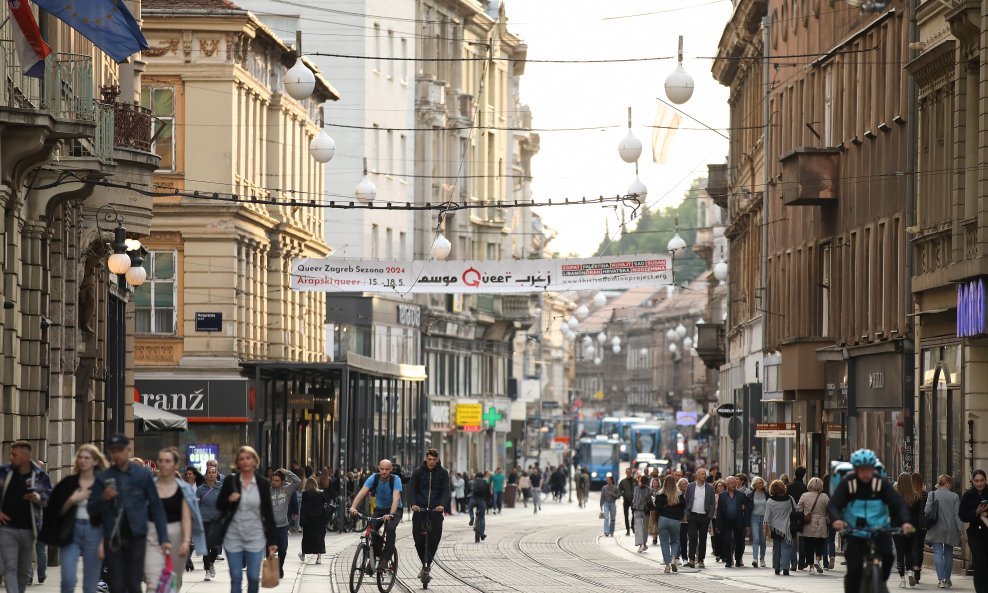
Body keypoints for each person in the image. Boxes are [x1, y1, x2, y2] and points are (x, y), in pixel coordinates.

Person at [88, 435, 169, 593]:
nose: (117, 455)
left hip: (136, 536)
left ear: (128, 450)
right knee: (116, 586)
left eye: (120, 450)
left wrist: (163, 538)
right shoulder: (103, 477)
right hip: (113, 538)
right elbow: (91, 509)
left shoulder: (142, 475)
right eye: (113, 451)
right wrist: (104, 498)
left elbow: (156, 507)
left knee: (134, 584)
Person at [829, 449, 913, 593]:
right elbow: (834, 505)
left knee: (888, 555)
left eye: (869, 469)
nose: (866, 474)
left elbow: (898, 503)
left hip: (879, 527)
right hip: (855, 530)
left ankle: (880, 582)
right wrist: (837, 519)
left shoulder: (881, 483)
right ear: (855, 470)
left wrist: (905, 521)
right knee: (854, 568)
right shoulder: (847, 483)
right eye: (862, 470)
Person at [40, 445, 105, 593]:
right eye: (80, 457)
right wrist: (73, 500)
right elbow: (55, 510)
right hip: (71, 531)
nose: (83, 461)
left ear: (95, 461)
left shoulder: (102, 484)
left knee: (90, 583)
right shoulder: (68, 483)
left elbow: (110, 513)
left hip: (94, 532)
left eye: (87, 458)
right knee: (68, 580)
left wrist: (104, 541)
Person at [217, 446, 279, 593]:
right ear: (238, 462)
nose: (245, 461)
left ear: (254, 461)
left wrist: (272, 541)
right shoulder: (230, 481)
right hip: (233, 536)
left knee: (252, 577)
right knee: (236, 577)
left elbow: (268, 513)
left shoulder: (262, 483)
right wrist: (229, 499)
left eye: (248, 458)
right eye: (242, 459)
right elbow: (219, 504)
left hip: (255, 536)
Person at [144, 447, 206, 593]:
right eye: (161, 461)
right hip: (152, 535)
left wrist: (185, 541)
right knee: (153, 583)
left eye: (168, 461)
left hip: (176, 534)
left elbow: (186, 517)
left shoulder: (184, 489)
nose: (164, 464)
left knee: (173, 583)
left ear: (175, 465)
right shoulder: (149, 486)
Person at [0, 442, 51, 593]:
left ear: (25, 456)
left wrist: (37, 497)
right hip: (7, 528)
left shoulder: (40, 475)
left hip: (29, 529)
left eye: (14, 455)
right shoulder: (4, 472)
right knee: (11, 566)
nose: (11, 458)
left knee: (22, 571)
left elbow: (48, 498)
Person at [350, 460, 403, 570]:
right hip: (379, 509)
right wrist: (353, 507)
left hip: (395, 509)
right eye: (382, 469)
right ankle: (373, 559)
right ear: (379, 468)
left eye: (387, 469)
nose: (384, 472)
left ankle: (385, 559)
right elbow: (361, 493)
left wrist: (391, 514)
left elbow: (396, 498)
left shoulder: (396, 480)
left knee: (390, 528)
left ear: (391, 470)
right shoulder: (373, 478)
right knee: (371, 530)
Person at [408, 449, 450, 577]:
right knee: (418, 539)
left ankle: (427, 565)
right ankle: (424, 561)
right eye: (430, 459)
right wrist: (413, 504)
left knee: (434, 539)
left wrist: (442, 505)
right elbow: (411, 490)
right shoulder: (417, 472)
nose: (431, 462)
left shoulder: (443, 473)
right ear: (426, 458)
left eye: (434, 460)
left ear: (437, 460)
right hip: (420, 510)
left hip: (435, 511)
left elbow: (445, 491)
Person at [925, 474, 963, 589]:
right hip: (950, 529)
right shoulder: (955, 497)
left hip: (936, 528)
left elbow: (927, 510)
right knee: (948, 554)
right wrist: (961, 530)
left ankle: (940, 580)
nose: (951, 486)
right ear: (947, 483)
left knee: (937, 553)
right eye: (950, 483)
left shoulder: (932, 494)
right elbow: (957, 516)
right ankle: (947, 580)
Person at [959, 468, 988, 593]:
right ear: (972, 481)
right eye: (977, 481)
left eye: (982, 480)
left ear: (986, 480)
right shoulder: (968, 495)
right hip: (975, 533)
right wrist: (976, 512)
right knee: (979, 561)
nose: (979, 483)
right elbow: (962, 515)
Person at [892, 471, 923, 588]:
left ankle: (902, 579)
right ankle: (910, 571)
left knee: (900, 552)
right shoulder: (916, 497)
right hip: (911, 527)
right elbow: (917, 515)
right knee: (909, 551)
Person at [269, 468, 301, 578]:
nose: (274, 482)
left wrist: (287, 472)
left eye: (277, 480)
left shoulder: (286, 490)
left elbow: (298, 482)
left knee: (282, 550)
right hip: (271, 527)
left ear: (282, 482)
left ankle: (280, 567)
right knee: (270, 551)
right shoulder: (268, 491)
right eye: (273, 480)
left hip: (283, 526)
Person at [798, 476, 830, 574]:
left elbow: (798, 508)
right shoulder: (825, 496)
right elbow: (830, 509)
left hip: (809, 521)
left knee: (809, 544)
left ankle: (811, 567)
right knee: (820, 542)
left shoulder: (804, 495)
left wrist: (804, 514)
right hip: (821, 522)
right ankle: (817, 560)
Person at [716, 476, 750, 568]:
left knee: (740, 541)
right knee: (726, 540)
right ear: (727, 484)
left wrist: (747, 524)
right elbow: (719, 511)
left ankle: (738, 559)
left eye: (734, 483)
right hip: (726, 521)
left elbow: (746, 511)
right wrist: (718, 525)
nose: (733, 484)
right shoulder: (722, 495)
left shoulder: (741, 495)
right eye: (731, 483)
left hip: (738, 521)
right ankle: (728, 560)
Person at [197, 465, 223, 581]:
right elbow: (195, 505)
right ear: (206, 475)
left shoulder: (221, 488)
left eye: (214, 472)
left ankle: (211, 562)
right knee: (206, 547)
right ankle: (207, 570)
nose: (212, 474)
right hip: (204, 521)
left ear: (216, 474)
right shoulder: (200, 489)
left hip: (217, 521)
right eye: (209, 472)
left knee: (216, 547)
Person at [684, 467, 714, 568]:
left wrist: (709, 516)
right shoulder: (690, 486)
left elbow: (712, 503)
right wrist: (687, 513)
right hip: (692, 515)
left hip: (704, 516)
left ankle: (701, 559)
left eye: (704, 474)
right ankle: (691, 559)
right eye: (701, 474)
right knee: (692, 537)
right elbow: (686, 500)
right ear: (697, 475)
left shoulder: (710, 488)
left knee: (703, 538)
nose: (704, 476)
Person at [765, 479, 795, 575]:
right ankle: (786, 568)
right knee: (786, 548)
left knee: (776, 548)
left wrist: (765, 528)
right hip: (787, 527)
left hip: (775, 528)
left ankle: (777, 568)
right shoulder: (789, 499)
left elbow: (767, 516)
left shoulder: (770, 501)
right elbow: (796, 509)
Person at [655, 474, 684, 573]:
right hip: (675, 520)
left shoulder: (659, 494)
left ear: (664, 482)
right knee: (675, 541)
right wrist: (679, 517)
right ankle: (673, 558)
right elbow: (683, 508)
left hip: (663, 519)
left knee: (664, 543)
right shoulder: (679, 494)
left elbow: (657, 509)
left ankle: (667, 565)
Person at [298, 477, 326, 564]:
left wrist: (301, 522)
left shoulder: (305, 494)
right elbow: (323, 506)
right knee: (319, 538)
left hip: (308, 519)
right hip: (319, 519)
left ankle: (303, 555)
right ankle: (319, 558)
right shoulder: (320, 494)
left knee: (306, 537)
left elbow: (303, 508)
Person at [788, 466, 808, 570]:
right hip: (801, 515)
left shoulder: (789, 486)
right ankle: (801, 562)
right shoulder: (805, 487)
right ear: (804, 475)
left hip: (790, 515)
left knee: (792, 539)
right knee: (802, 539)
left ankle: (793, 562)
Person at [911, 473, 929, 585]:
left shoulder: (911, 494)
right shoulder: (925, 494)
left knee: (913, 547)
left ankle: (914, 568)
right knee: (920, 547)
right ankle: (918, 571)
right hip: (922, 524)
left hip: (913, 524)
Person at [749, 477, 768, 567]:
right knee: (756, 538)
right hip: (754, 517)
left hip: (764, 518)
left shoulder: (766, 494)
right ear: (755, 484)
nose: (761, 484)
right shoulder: (751, 495)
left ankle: (762, 559)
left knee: (763, 540)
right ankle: (755, 558)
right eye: (759, 483)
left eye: (762, 482)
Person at [467, 472, 491, 541]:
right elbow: (488, 493)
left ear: (476, 477)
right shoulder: (485, 483)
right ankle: (482, 534)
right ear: (483, 477)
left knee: (470, 508)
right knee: (482, 517)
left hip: (473, 499)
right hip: (482, 501)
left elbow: (467, 491)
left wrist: (466, 500)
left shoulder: (471, 482)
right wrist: (489, 501)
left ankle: (472, 517)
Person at [632, 475, 651, 552]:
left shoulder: (636, 489)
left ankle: (643, 544)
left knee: (641, 528)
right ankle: (642, 545)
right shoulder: (649, 490)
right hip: (640, 510)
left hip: (640, 510)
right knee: (641, 528)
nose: (642, 484)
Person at [710, 479, 726, 562]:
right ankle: (718, 554)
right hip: (715, 518)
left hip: (725, 519)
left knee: (724, 536)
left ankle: (724, 555)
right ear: (716, 488)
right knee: (716, 537)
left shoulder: (726, 495)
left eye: (722, 486)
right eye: (719, 486)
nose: (720, 487)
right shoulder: (714, 496)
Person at [619, 467, 636, 536]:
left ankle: (632, 526)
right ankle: (628, 530)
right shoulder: (623, 481)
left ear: (631, 473)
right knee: (626, 515)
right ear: (626, 473)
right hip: (626, 500)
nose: (628, 474)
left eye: (629, 472)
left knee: (634, 514)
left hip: (633, 501)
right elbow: (619, 490)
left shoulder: (635, 481)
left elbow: (637, 489)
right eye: (627, 472)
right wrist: (623, 494)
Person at [678, 478, 689, 564]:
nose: (685, 485)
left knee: (691, 539)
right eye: (683, 484)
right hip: (680, 521)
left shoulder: (691, 495)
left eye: (686, 483)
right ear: (679, 486)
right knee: (682, 539)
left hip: (690, 520)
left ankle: (689, 557)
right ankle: (683, 557)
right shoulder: (678, 496)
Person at [648, 477, 661, 545]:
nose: (655, 484)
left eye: (656, 483)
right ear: (652, 484)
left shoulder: (660, 491)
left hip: (658, 510)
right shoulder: (650, 491)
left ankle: (656, 537)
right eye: (654, 483)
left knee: (657, 524)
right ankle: (654, 538)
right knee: (653, 524)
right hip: (652, 509)